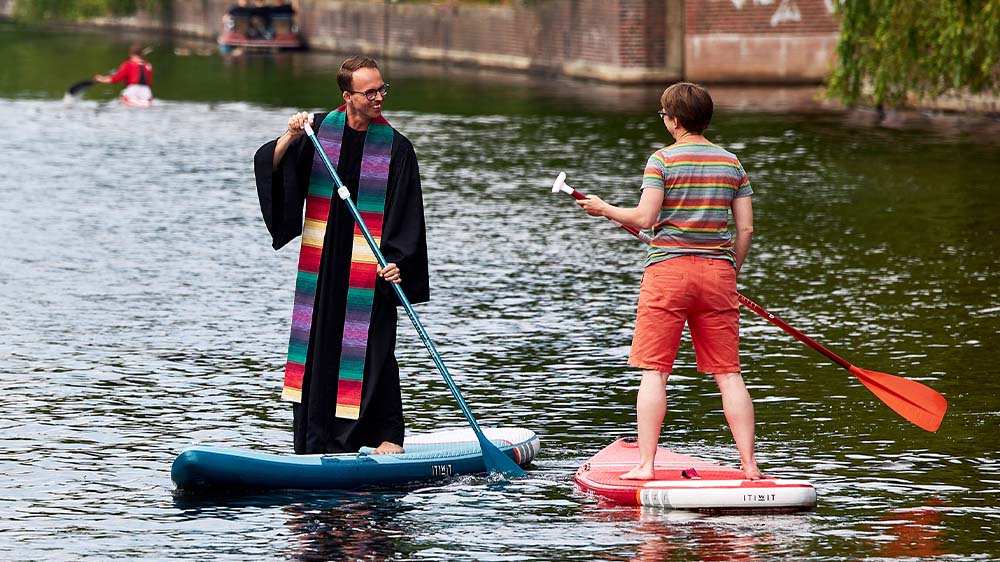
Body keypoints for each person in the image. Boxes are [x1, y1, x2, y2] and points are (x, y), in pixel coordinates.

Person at [575, 82, 761, 480]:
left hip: (668, 274)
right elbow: (745, 230)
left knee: (655, 371)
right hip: (718, 276)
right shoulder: (732, 164)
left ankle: (645, 465)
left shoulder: (661, 161)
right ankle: (750, 466)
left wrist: (603, 208)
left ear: (674, 120)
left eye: (664, 115)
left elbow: (644, 218)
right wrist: (731, 272)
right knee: (729, 373)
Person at [253, 56, 429, 455]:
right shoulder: (317, 133)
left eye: (382, 89)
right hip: (324, 264)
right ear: (347, 96)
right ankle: (316, 440)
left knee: (375, 348)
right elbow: (272, 166)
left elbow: (408, 211)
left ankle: (386, 435)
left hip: (370, 267)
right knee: (318, 347)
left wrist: (398, 261)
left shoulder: (397, 148)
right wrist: (290, 136)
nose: (379, 97)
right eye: (370, 92)